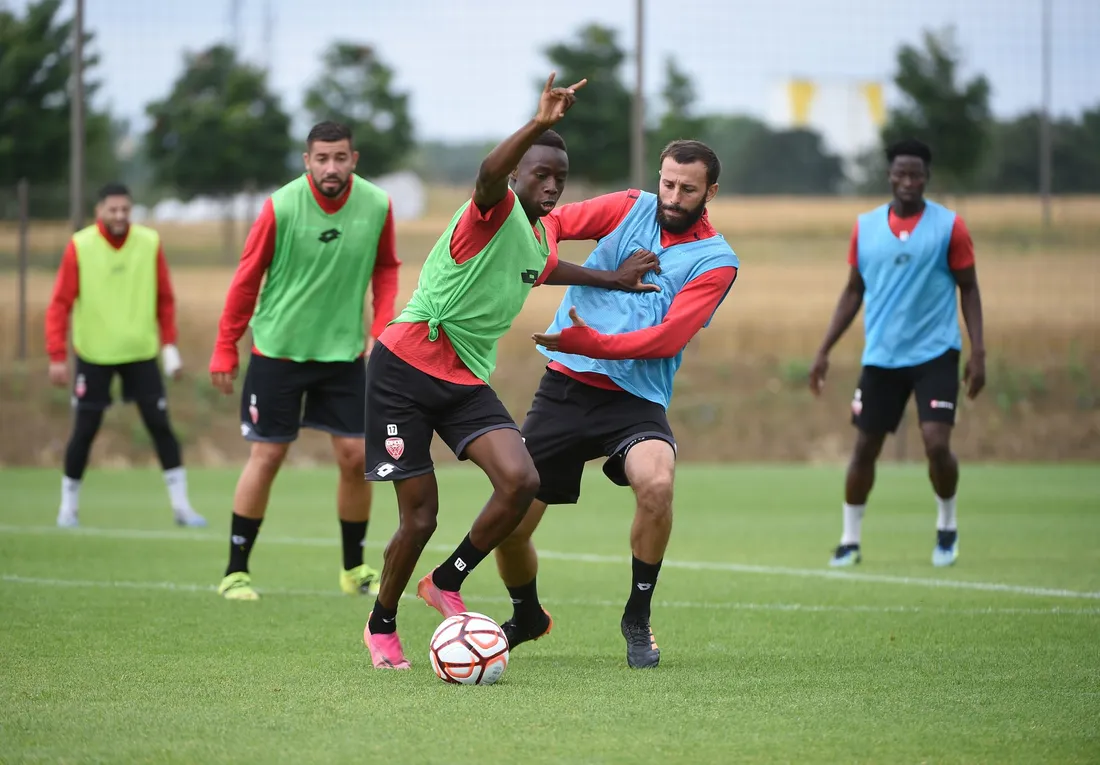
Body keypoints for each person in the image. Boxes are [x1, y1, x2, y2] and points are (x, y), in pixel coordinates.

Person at [361, 73, 662, 670]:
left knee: (522, 480)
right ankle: (381, 624)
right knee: (419, 518)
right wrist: (538, 124)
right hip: (404, 368)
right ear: (517, 175)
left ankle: (445, 580)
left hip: (464, 377)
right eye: (540, 174)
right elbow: (487, 172)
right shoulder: (490, 210)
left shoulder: (539, 233)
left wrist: (614, 278)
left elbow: (545, 269)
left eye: (559, 179)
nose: (551, 186)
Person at [489, 140, 739, 670]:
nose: (672, 196)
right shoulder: (628, 207)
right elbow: (551, 222)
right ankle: (526, 614)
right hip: (564, 390)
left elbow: (669, 339)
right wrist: (546, 260)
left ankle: (637, 617)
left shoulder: (717, 261)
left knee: (658, 483)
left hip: (635, 400)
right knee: (508, 528)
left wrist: (594, 343)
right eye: (667, 183)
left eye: (687, 189)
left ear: (710, 192)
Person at [209, 121, 400, 601]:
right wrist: (225, 345)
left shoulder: (378, 205)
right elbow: (247, 278)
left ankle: (354, 569)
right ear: (307, 161)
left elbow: (386, 268)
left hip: (343, 353)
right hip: (278, 350)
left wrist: (381, 328)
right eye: (322, 158)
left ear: (354, 159)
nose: (331, 167)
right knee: (268, 455)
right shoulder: (281, 206)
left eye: (340, 157)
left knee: (356, 457)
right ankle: (236, 572)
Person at [808, 138, 986, 569]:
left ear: (926, 178)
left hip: (936, 354)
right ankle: (849, 541)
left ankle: (947, 527)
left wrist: (978, 352)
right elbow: (854, 291)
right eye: (901, 173)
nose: (908, 181)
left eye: (916, 175)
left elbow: (969, 288)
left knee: (936, 444)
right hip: (882, 358)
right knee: (864, 449)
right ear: (889, 176)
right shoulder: (866, 227)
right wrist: (824, 349)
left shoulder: (949, 227)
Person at [45, 182, 206, 529]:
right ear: (99, 211)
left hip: (141, 353)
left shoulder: (149, 242)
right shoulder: (81, 245)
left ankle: (182, 507)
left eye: (125, 210)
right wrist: (57, 354)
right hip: (94, 354)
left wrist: (170, 346)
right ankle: (68, 509)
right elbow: (60, 304)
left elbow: (165, 299)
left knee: (160, 426)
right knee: (85, 430)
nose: (119, 216)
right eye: (113, 210)